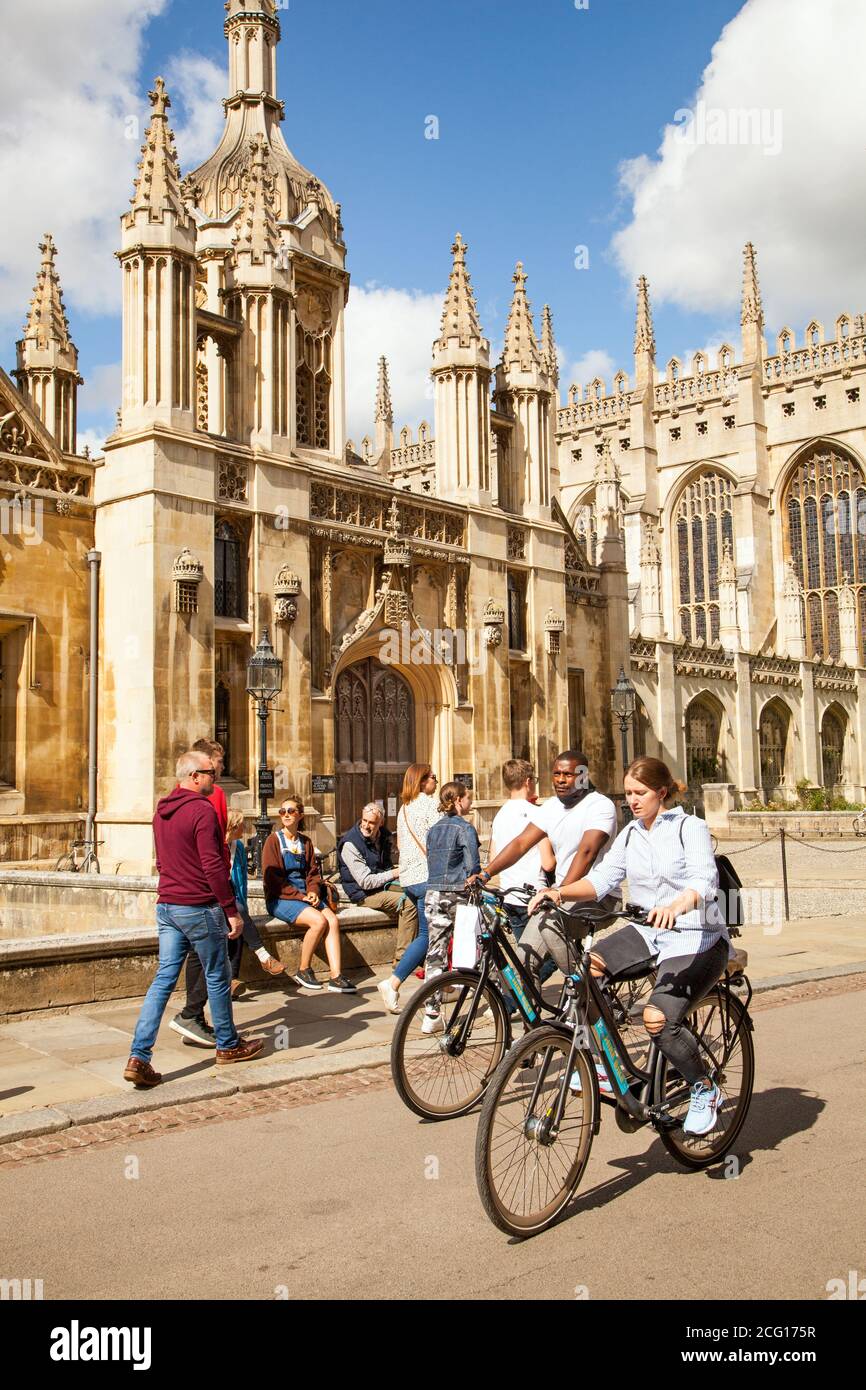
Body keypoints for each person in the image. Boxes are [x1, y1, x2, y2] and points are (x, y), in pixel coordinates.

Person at [528, 756, 729, 1134]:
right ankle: (604, 1064)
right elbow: (602, 879)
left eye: (640, 793)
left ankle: (704, 1088)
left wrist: (676, 905)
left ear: (661, 793)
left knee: (657, 1018)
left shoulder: (690, 827)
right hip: (647, 931)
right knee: (586, 972)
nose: (632, 800)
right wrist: (558, 892)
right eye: (628, 793)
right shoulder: (632, 833)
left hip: (695, 935)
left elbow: (706, 881)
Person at [123, 750, 264, 1087]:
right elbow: (213, 865)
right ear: (193, 776)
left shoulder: (162, 811)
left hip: (168, 904)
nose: (216, 777)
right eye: (211, 773)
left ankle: (138, 1056)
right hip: (198, 905)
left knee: (163, 980)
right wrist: (230, 909)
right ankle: (228, 1045)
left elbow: (163, 859)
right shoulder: (201, 810)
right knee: (217, 975)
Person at [473, 750, 619, 993]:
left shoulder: (600, 805)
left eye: (568, 774)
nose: (560, 779)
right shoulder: (550, 807)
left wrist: (558, 892)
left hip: (596, 896)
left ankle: (590, 990)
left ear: (583, 775)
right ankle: (538, 1030)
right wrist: (486, 873)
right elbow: (521, 843)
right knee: (523, 962)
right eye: (556, 774)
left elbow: (587, 852)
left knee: (551, 927)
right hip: (558, 898)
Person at [170, 737, 231, 1045]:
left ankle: (192, 1018)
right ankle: (218, 1033)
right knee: (218, 959)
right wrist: (228, 902)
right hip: (207, 889)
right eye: (217, 764)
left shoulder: (169, 802)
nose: (221, 770)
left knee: (192, 959)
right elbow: (212, 850)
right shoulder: (211, 797)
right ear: (202, 767)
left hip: (179, 894)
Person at [262, 797, 357, 993]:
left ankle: (335, 976)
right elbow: (272, 879)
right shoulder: (273, 841)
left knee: (332, 920)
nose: (286, 815)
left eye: (290, 811)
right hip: (282, 898)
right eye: (282, 811)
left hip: (305, 897)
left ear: (300, 815)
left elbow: (313, 873)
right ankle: (303, 969)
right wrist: (300, 896)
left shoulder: (305, 842)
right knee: (318, 922)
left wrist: (313, 892)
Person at [377, 764, 441, 1013]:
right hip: (427, 878)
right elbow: (442, 839)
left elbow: (402, 846)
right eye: (434, 777)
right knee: (428, 937)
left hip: (410, 880)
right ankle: (393, 983)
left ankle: (444, 985)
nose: (436, 782)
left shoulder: (404, 809)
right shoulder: (429, 804)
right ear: (422, 781)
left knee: (428, 934)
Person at [421, 781, 481, 1033]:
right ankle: (495, 997)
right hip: (459, 894)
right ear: (458, 800)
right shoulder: (465, 828)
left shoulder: (433, 830)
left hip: (433, 894)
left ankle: (431, 1013)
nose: (470, 803)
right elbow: (473, 867)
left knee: (435, 953)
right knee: (481, 946)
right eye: (468, 798)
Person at [338, 803, 418, 969]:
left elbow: (385, 867)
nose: (366, 825)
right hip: (363, 894)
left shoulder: (383, 836)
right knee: (408, 903)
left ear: (380, 822)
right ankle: (403, 960)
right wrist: (395, 873)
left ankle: (420, 953)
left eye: (372, 822)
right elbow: (365, 882)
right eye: (364, 820)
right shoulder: (350, 844)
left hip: (383, 885)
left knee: (420, 892)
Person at [224, 810, 285, 997]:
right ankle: (263, 956)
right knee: (238, 913)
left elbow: (242, 879)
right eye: (242, 825)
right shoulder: (215, 846)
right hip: (217, 899)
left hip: (234, 901)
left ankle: (232, 981)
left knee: (239, 920)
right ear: (233, 827)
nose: (246, 828)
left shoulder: (239, 847)